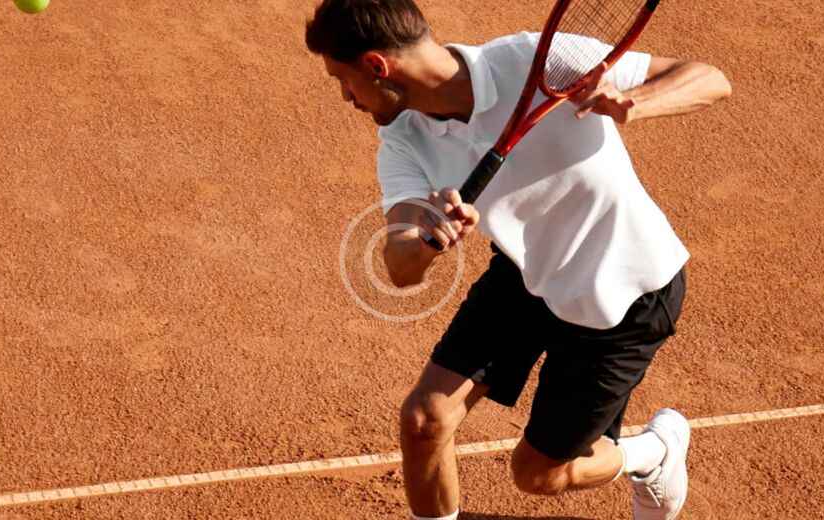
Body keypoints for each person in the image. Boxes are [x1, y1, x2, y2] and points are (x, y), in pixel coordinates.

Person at [305, 1, 731, 519]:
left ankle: (653, 453)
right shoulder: (402, 141)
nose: (345, 96)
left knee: (537, 475)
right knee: (425, 420)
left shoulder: (536, 59)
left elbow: (709, 79)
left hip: (626, 290)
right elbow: (400, 266)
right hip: (526, 275)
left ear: (377, 65)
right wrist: (428, 240)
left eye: (343, 79)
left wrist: (633, 102)